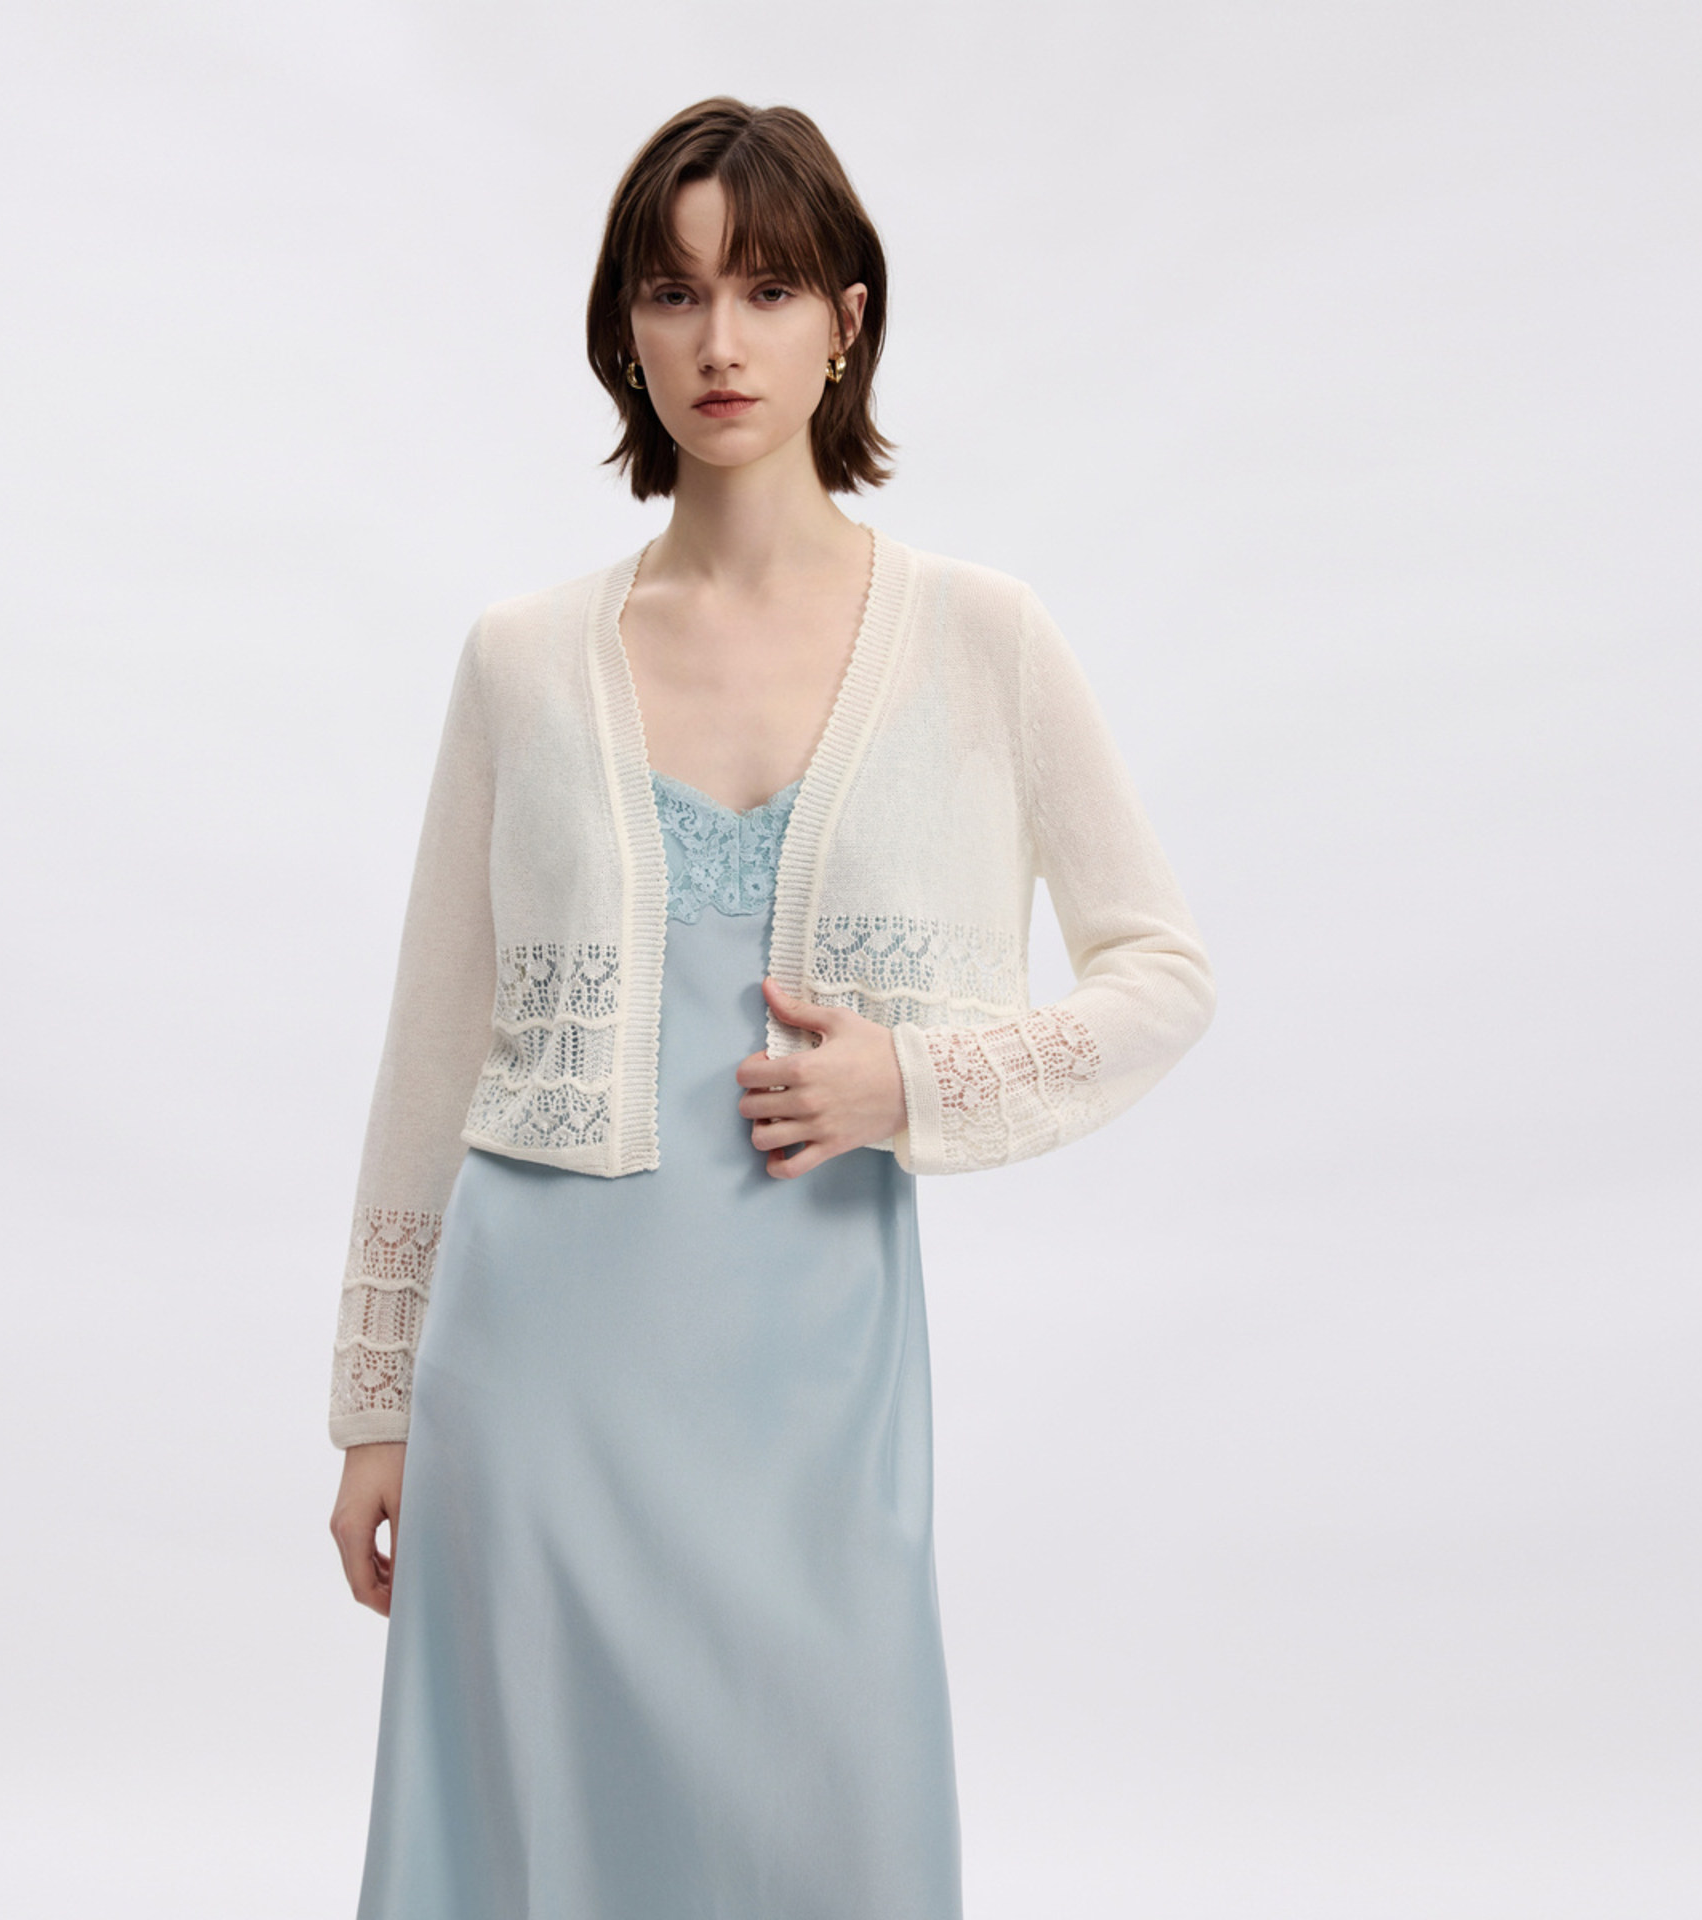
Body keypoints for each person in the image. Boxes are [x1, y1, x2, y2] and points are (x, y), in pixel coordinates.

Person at [326, 95, 1216, 1920]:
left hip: (811, 1366)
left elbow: (1162, 972)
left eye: (768, 288)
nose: (720, 341)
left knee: (829, 1820)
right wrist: (374, 1406)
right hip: (538, 1371)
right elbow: (434, 1044)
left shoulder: (981, 636)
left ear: (846, 321)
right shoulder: (520, 658)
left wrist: (918, 1081)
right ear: (625, 330)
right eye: (673, 293)